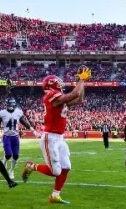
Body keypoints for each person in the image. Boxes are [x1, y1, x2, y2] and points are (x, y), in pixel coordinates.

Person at [21, 66, 91, 205]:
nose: (61, 84)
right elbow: (73, 95)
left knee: (66, 167)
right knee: (56, 171)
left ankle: (55, 196)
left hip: (59, 138)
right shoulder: (50, 95)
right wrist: (81, 80)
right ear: (52, 84)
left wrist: (83, 82)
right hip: (50, 138)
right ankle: (31, 166)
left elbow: (79, 99)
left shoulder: (57, 97)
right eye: (58, 82)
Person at [0, 98, 37, 180]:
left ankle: (11, 170)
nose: (10, 106)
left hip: (15, 137)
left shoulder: (18, 112)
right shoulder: (2, 113)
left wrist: (32, 129)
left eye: (11, 105)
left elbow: (23, 122)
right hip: (6, 137)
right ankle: (4, 163)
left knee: (16, 156)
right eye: (9, 104)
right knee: (8, 154)